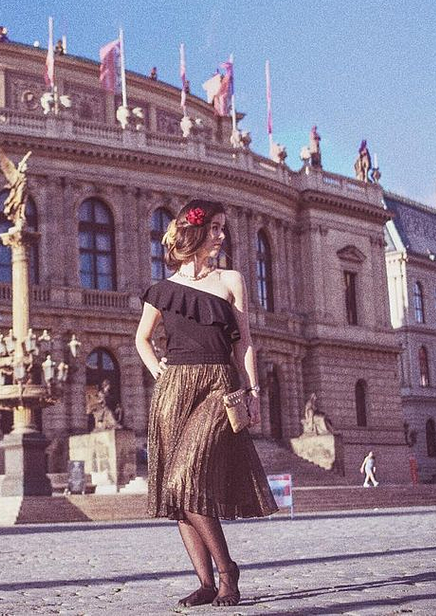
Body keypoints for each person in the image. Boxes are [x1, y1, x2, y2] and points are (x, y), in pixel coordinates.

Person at [136, 199, 278, 609]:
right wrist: (159, 371)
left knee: (185, 478)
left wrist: (251, 393)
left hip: (218, 385)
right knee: (175, 493)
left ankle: (227, 571)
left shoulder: (231, 280)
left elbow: (245, 342)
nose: (220, 236)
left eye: (221, 228)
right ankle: (206, 581)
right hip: (173, 390)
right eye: (214, 228)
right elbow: (141, 339)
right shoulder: (161, 289)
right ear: (193, 233)